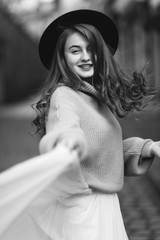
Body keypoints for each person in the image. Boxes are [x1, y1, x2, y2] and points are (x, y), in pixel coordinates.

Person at [31, 9, 160, 240]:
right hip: (84, 211)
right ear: (62, 58)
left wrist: (146, 147)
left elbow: (102, 156)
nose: (85, 57)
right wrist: (68, 140)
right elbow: (65, 127)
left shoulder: (93, 97)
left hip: (103, 206)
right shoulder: (64, 95)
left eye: (91, 49)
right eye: (75, 50)